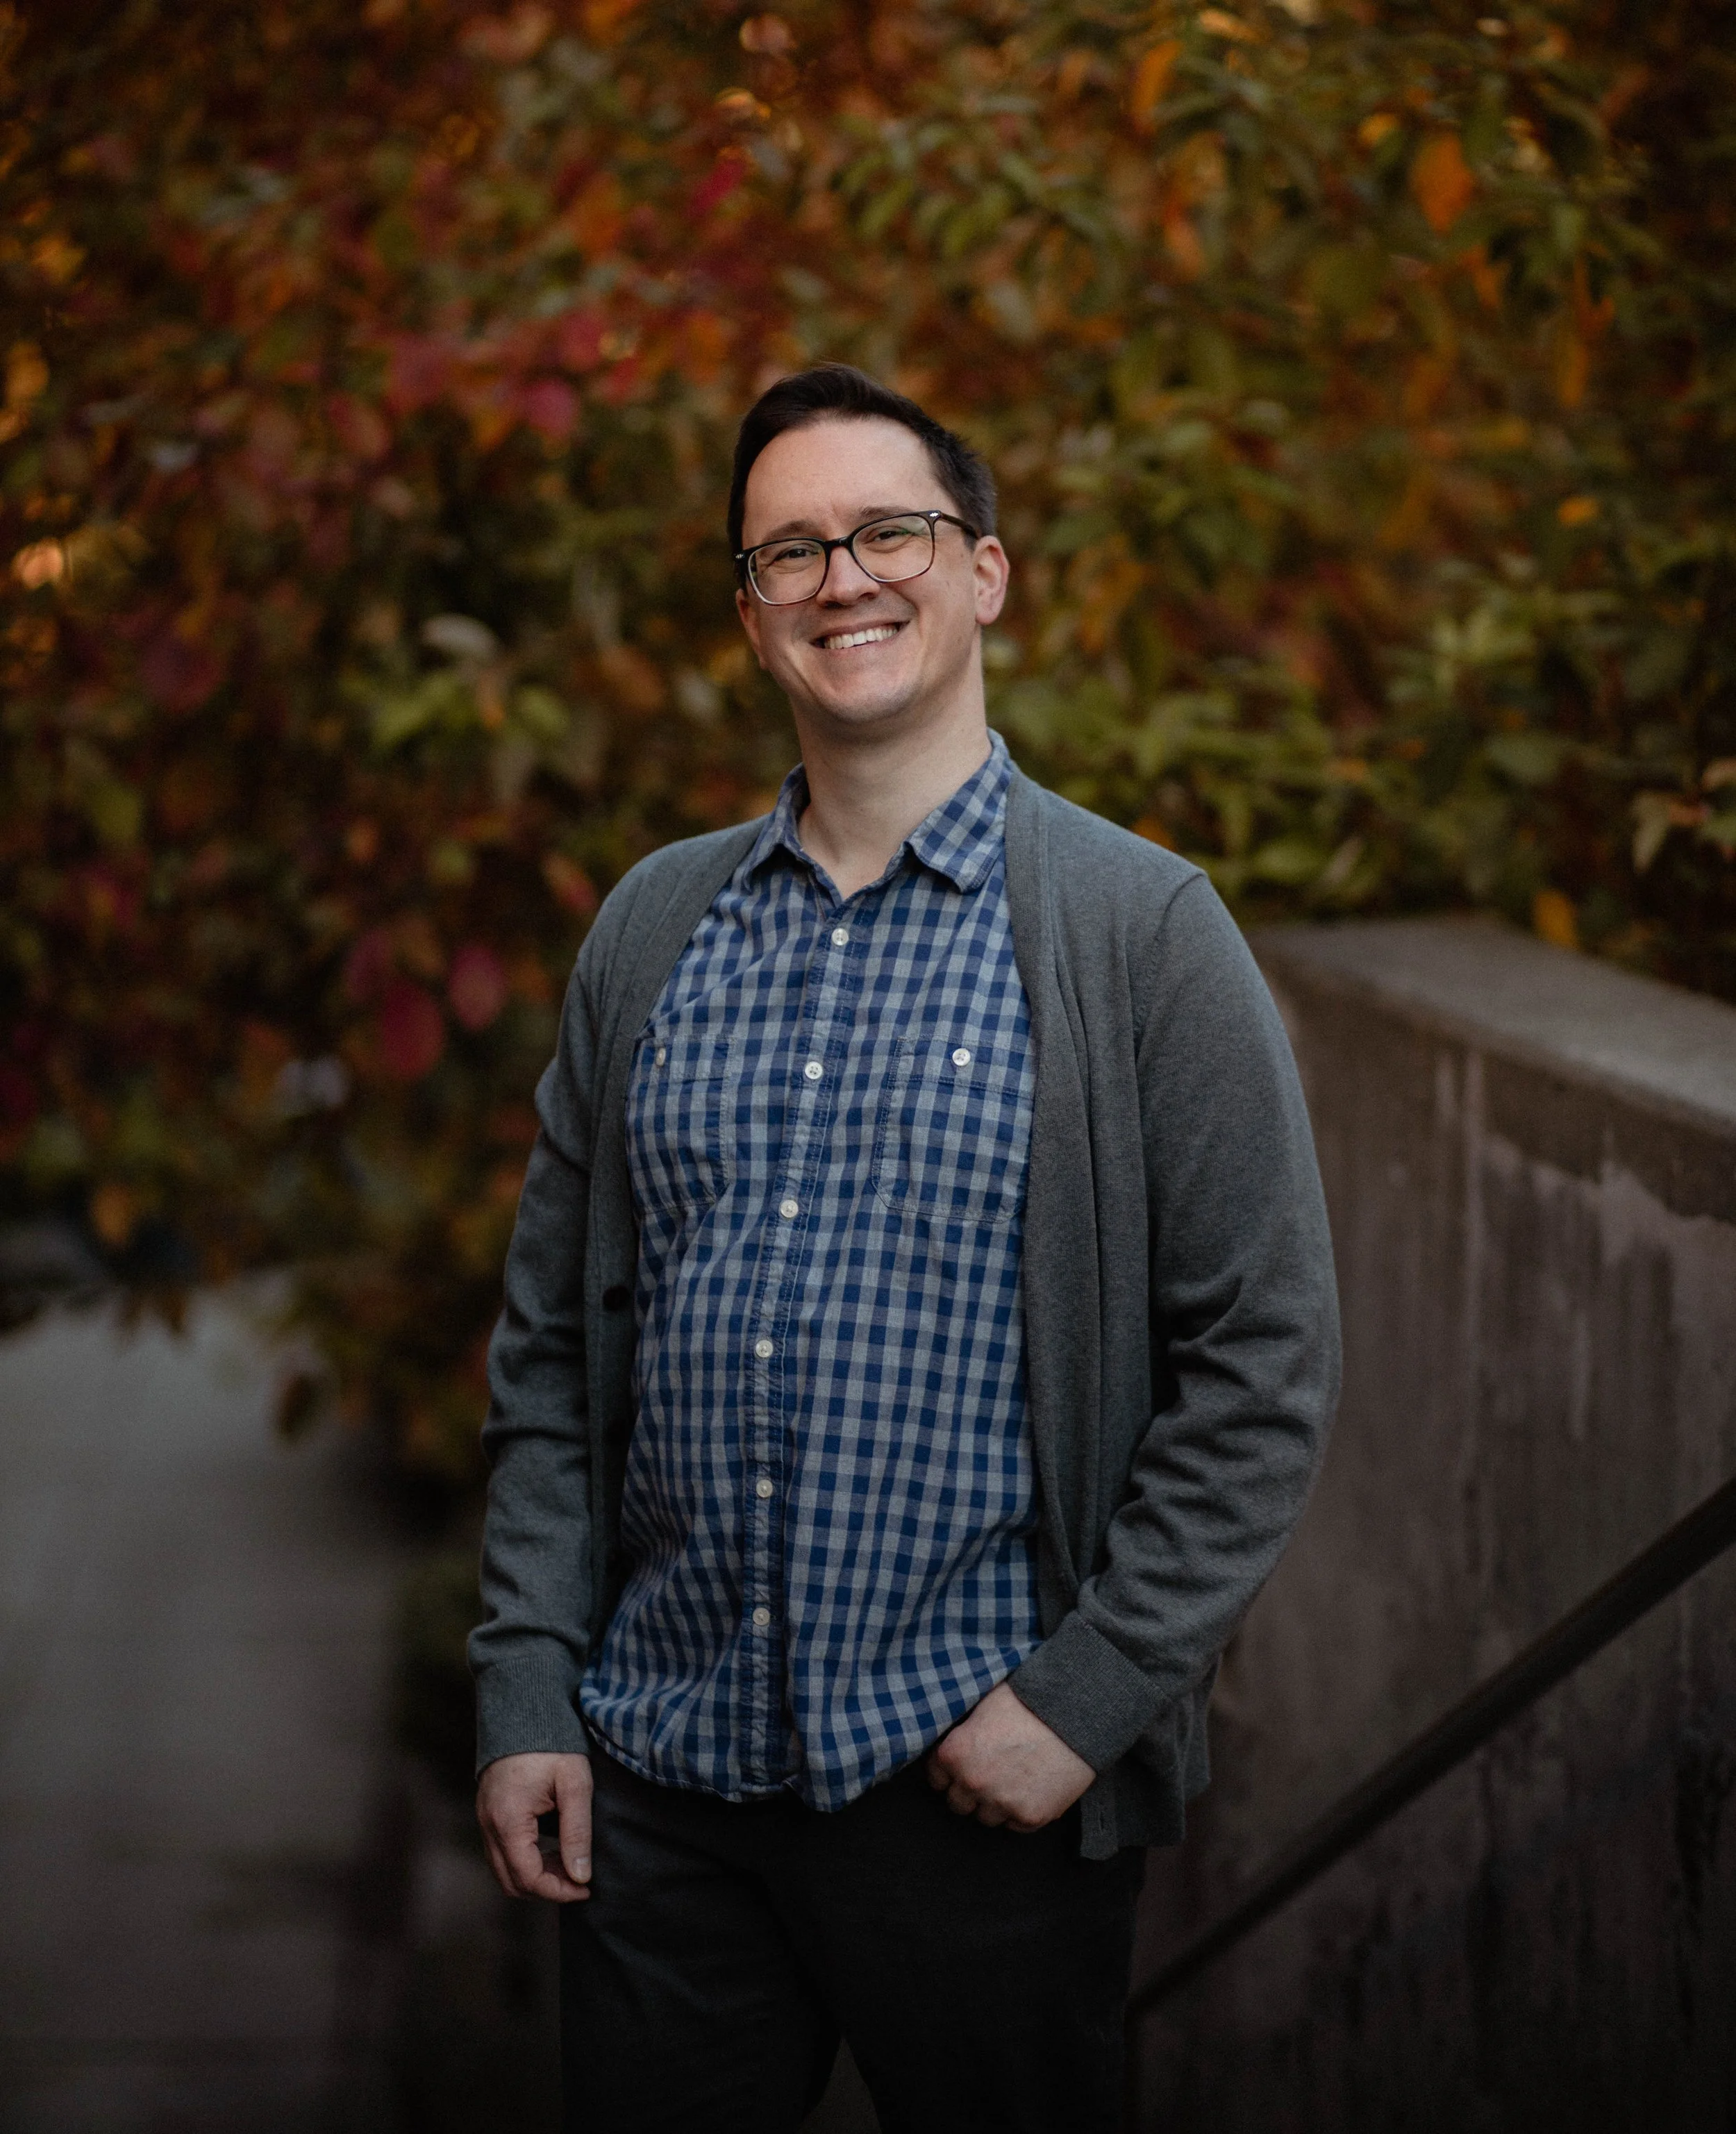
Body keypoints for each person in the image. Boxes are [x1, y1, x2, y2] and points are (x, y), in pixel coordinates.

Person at [469, 364, 1339, 2134]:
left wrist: (1085, 1699)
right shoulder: (652, 929)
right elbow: (554, 1349)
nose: (841, 579)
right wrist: (525, 1683)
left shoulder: (1137, 933)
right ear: (748, 612)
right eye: (787, 551)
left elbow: (1264, 1364)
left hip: (972, 1795)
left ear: (983, 572)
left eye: (889, 531)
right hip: (660, 1791)